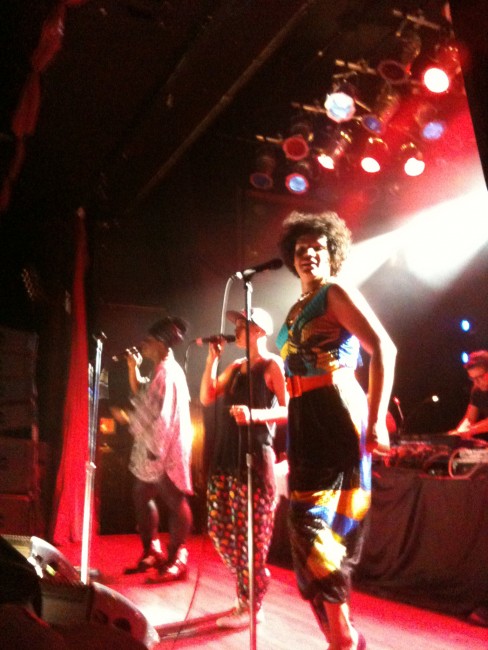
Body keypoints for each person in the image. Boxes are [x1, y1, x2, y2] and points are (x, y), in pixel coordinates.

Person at [276, 210, 397, 650]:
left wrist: (377, 418)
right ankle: (340, 633)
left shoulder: (335, 293)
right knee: (302, 523)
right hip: (304, 414)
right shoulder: (296, 308)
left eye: (317, 248)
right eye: (300, 249)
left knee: (324, 523)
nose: (308, 254)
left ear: (332, 255)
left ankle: (342, 635)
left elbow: (384, 348)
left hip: (336, 411)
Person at [199, 307, 288, 628]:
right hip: (226, 457)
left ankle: (250, 603)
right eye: (236, 324)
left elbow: (290, 410)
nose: (236, 328)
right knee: (220, 528)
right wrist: (212, 360)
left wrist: (255, 415)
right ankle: (252, 584)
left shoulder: (272, 365)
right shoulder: (236, 366)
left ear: (260, 330)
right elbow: (207, 396)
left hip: (254, 459)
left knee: (252, 535)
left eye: (243, 324)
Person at [111, 316, 193, 583]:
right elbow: (145, 393)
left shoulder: (168, 373)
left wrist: (132, 424)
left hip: (164, 448)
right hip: (153, 446)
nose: (143, 344)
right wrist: (132, 368)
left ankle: (177, 557)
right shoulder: (160, 369)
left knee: (174, 499)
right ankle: (152, 551)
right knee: (141, 494)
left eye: (148, 340)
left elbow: (163, 416)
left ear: (160, 343)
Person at [452, 350, 488, 440]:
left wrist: (472, 430)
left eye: (481, 377)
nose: (477, 382)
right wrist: (458, 432)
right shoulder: (477, 390)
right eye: (473, 379)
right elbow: (470, 418)